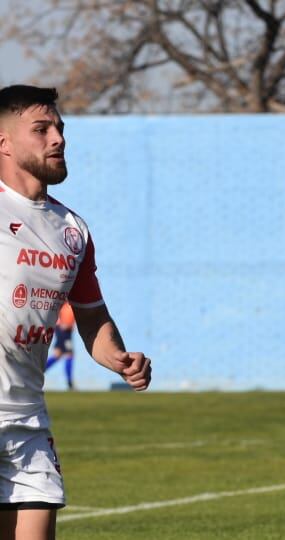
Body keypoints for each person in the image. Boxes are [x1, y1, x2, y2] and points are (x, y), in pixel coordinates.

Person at [0, 85, 152, 540]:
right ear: (3, 142)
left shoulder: (73, 230)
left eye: (60, 129)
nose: (58, 139)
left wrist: (119, 357)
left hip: (27, 419)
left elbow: (91, 316)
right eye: (41, 129)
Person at [45, 302, 76, 390]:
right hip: (63, 331)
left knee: (58, 355)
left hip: (66, 331)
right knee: (69, 355)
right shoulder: (64, 303)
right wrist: (61, 323)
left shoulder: (70, 303)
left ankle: (37, 372)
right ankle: (70, 383)